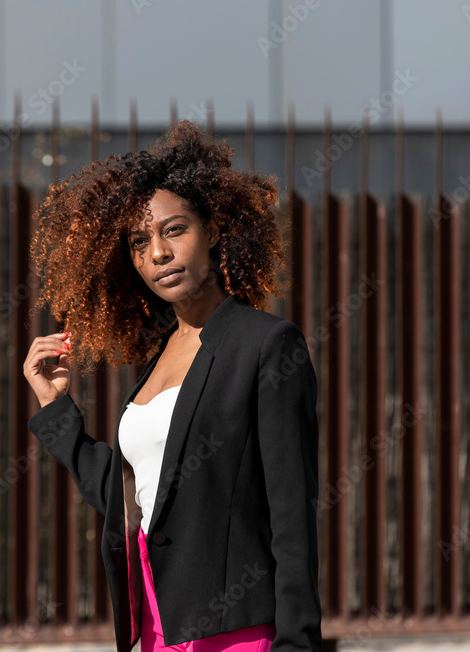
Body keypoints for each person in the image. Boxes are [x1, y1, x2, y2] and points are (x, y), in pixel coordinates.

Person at [22, 120, 322, 652]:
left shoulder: (266, 344)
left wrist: (297, 643)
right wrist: (57, 412)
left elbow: (292, 514)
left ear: (215, 231)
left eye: (174, 230)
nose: (157, 252)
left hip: (236, 635)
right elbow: (135, 497)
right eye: (140, 242)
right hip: (155, 630)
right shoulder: (159, 358)